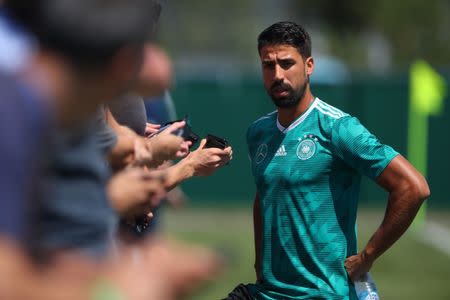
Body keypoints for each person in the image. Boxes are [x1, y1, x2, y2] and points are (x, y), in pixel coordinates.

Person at [225, 21, 430, 300]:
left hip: (323, 294)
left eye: (287, 64)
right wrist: (260, 262)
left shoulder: (338, 128)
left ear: (309, 66)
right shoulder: (258, 133)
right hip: (269, 293)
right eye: (268, 65)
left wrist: (368, 255)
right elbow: (264, 195)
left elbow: (413, 187)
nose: (277, 74)